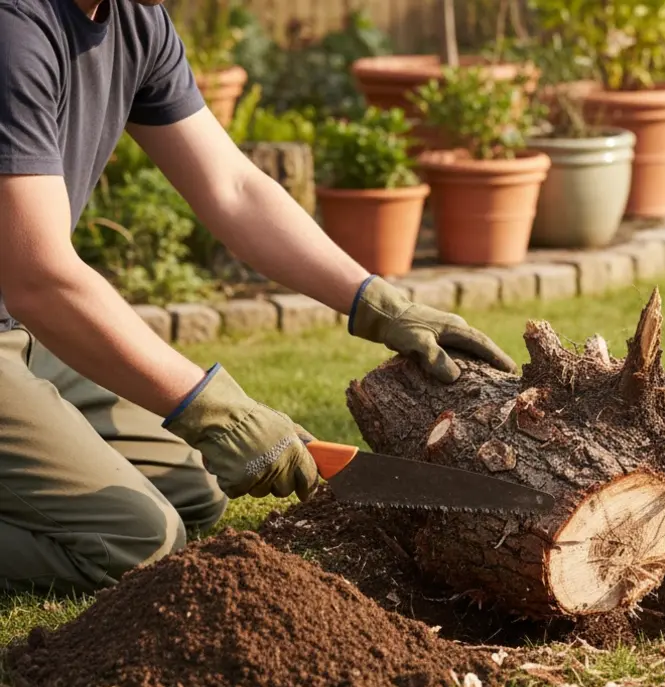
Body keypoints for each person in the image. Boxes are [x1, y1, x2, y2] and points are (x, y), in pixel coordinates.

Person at [0, 0, 517, 595]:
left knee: (195, 491)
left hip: (18, 330)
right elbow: (39, 274)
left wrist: (376, 303)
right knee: (136, 541)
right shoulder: (15, 29)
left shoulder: (135, 21)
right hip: (24, 311)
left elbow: (234, 188)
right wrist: (214, 410)